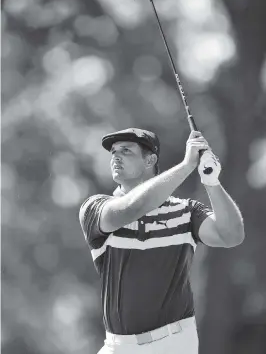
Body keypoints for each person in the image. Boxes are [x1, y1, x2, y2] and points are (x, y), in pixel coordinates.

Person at [79, 128, 244, 354]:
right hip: (118, 346)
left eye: (126, 151)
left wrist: (211, 181)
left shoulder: (185, 211)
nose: (115, 156)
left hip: (174, 343)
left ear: (151, 160)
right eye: (113, 152)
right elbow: (132, 208)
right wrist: (187, 166)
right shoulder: (95, 208)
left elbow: (231, 236)